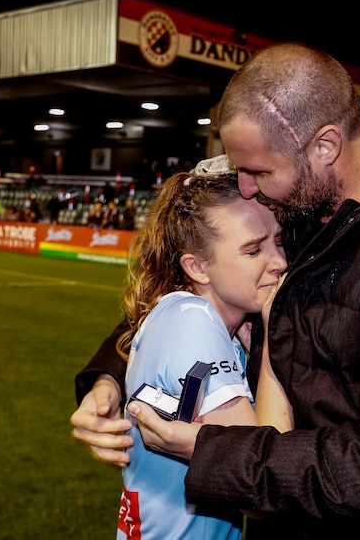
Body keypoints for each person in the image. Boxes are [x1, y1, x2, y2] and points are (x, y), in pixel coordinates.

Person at [71, 42, 360, 539]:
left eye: (259, 171)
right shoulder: (301, 197)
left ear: (325, 146)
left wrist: (211, 450)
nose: (248, 187)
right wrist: (108, 378)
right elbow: (189, 298)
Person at [111, 170, 288, 539]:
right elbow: (264, 493)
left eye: (279, 241)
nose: (279, 262)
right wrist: (274, 340)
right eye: (253, 250)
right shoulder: (194, 320)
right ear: (197, 267)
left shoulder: (197, 320)